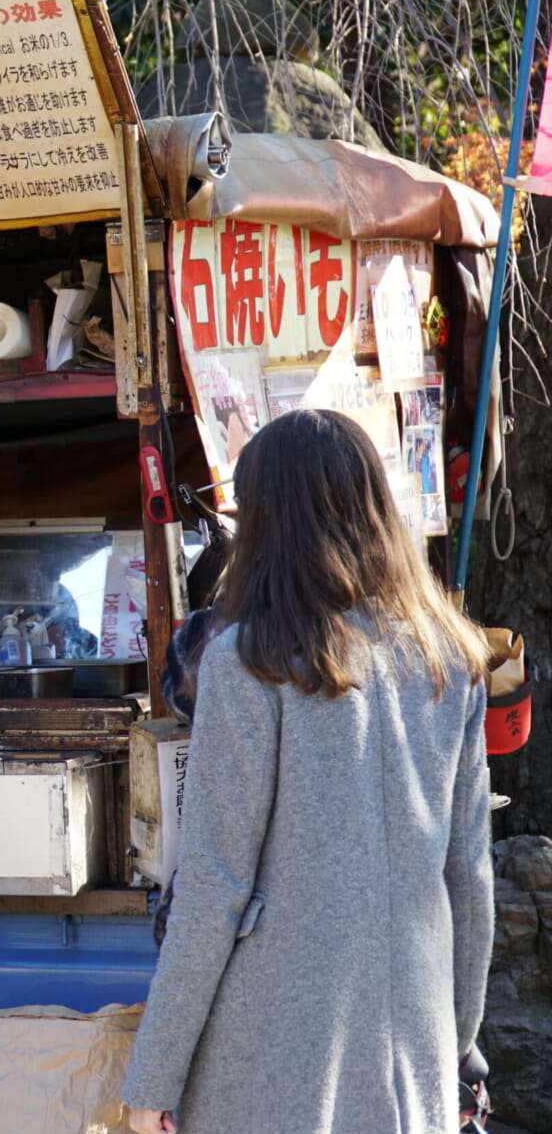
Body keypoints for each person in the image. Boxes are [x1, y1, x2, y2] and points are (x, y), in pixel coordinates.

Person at [121, 409, 494, 1134]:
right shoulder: (450, 659)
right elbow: (469, 879)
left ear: (266, 520)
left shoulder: (250, 660)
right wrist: (453, 1047)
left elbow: (213, 885)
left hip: (271, 1050)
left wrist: (155, 1075)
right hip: (411, 1039)